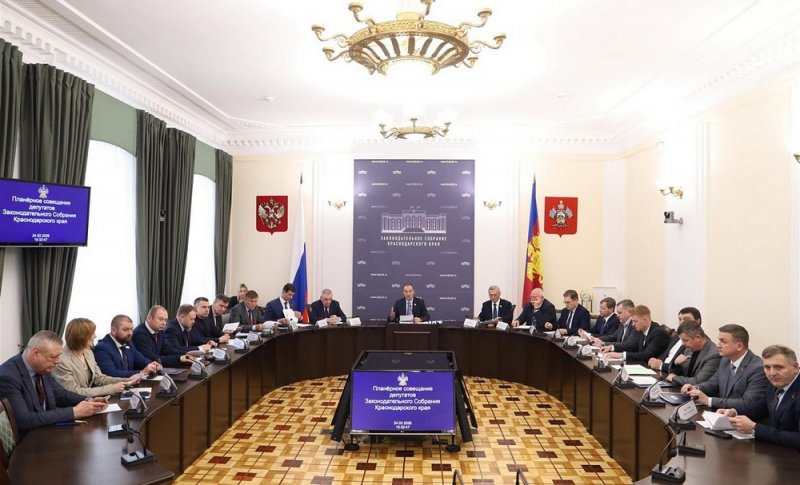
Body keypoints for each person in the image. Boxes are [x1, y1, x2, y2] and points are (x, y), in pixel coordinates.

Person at [0, 330, 108, 437]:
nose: (58, 361)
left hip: (48, 431)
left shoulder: (43, 368)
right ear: (36, 353)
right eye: (53, 357)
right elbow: (25, 420)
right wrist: (74, 412)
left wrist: (88, 400)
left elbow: (61, 394)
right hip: (28, 440)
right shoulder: (8, 377)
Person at [718, 345, 800, 451]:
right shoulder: (775, 383)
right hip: (778, 451)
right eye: (767, 367)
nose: (772, 373)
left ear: (795, 367)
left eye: (779, 367)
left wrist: (755, 429)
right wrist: (734, 412)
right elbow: (760, 408)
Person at [681, 324, 767, 409]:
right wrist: (695, 388)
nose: (718, 345)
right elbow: (713, 383)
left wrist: (708, 401)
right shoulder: (725, 360)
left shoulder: (757, 368)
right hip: (723, 413)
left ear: (739, 346)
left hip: (743, 416)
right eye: (719, 340)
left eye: (723, 341)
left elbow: (748, 403)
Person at [53, 318, 139, 397]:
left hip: (90, 401)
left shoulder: (88, 352)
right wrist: (111, 389)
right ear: (81, 336)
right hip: (74, 405)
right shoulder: (61, 360)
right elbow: (74, 391)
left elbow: (99, 378)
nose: (95, 336)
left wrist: (127, 380)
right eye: (92, 333)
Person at [94, 314, 162, 378]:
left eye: (131, 329)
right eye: (125, 330)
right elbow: (111, 373)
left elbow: (140, 359)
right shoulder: (102, 348)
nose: (130, 333)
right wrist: (141, 372)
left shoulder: (128, 343)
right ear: (114, 330)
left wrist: (152, 365)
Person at [602, 304, 669, 362]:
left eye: (635, 321)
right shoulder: (641, 330)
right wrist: (612, 348)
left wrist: (621, 355)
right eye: (632, 321)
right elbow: (633, 347)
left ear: (644, 320)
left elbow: (646, 355)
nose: (633, 324)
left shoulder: (659, 333)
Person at [662, 320, 720, 385]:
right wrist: (676, 363)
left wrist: (674, 378)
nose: (683, 344)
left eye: (685, 340)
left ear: (698, 338)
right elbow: (679, 371)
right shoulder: (689, 349)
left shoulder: (713, 354)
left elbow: (698, 381)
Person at [648, 307, 702, 373]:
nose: (681, 322)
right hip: (660, 370)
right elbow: (666, 354)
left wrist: (661, 366)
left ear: (697, 321)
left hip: (672, 373)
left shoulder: (696, 341)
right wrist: (656, 360)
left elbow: (684, 368)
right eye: (680, 319)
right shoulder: (676, 336)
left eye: (686, 319)